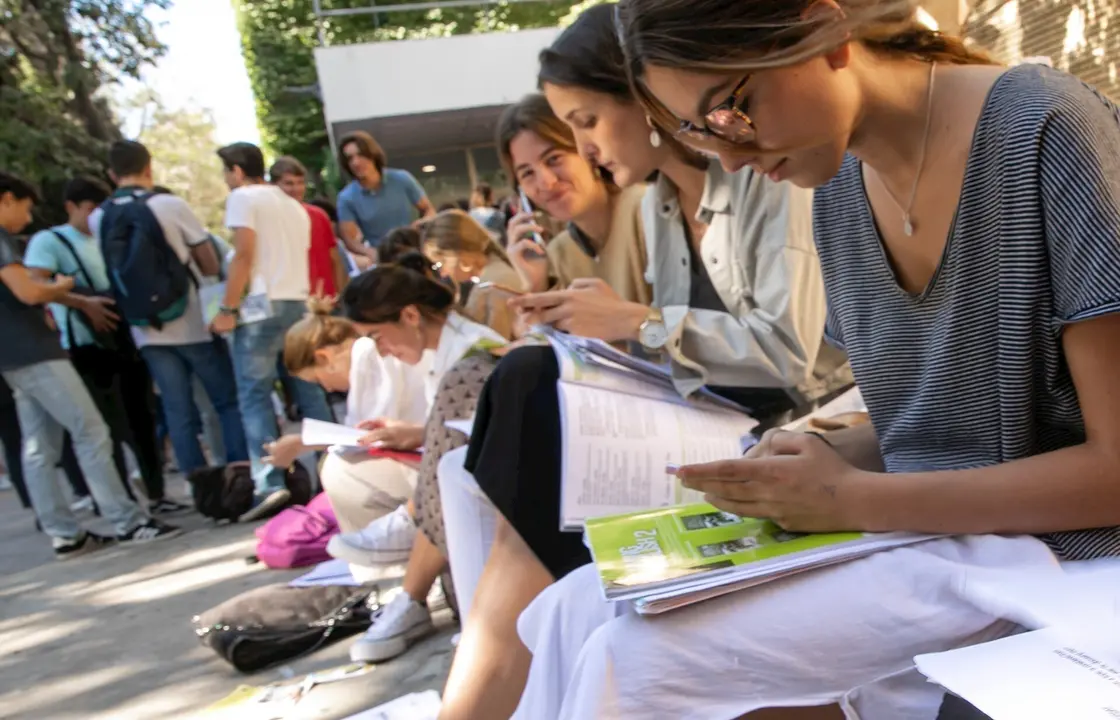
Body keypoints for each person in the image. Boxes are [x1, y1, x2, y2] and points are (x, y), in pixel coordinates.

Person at [509, 1, 1120, 718]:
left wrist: (850, 498)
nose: (729, 156)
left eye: (730, 111)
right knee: (575, 607)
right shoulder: (835, 184)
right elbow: (938, 423)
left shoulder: (1042, 129)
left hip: (1066, 553)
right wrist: (817, 461)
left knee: (637, 663)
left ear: (824, 32)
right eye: (697, 132)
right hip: (941, 534)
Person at [436, 9, 850, 716]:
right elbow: (676, 346)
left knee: (526, 392)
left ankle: (484, 694)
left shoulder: (768, 171)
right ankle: (498, 687)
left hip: (792, 416)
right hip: (715, 414)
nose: (585, 148)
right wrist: (610, 339)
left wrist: (638, 323)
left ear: (647, 95)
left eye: (587, 122)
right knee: (524, 384)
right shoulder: (658, 205)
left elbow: (795, 355)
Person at [336, 253, 507, 664]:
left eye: (378, 337)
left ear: (410, 315)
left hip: (484, 484)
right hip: (461, 472)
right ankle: (412, 571)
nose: (382, 352)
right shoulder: (447, 349)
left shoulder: (470, 353)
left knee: (435, 475)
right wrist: (416, 432)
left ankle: (412, 576)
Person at [0, 172, 179, 556]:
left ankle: (65, 532)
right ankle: (128, 520)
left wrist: (70, 299)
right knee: (91, 430)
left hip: (14, 357)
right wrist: (61, 287)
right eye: (25, 208)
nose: (27, 219)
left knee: (40, 446)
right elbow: (28, 291)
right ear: (6, 199)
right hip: (35, 352)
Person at [92, 141, 249, 491]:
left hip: (145, 329)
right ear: (149, 168)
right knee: (225, 401)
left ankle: (200, 486)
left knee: (178, 410)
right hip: (193, 320)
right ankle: (238, 476)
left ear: (111, 174)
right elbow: (208, 262)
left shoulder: (99, 216)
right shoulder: (169, 205)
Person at [213, 141, 335, 520]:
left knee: (255, 395)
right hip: (296, 301)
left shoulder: (243, 198)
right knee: (310, 389)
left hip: (259, 307)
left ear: (236, 171)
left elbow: (244, 254)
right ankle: (333, 470)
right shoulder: (293, 206)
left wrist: (227, 308)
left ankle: (270, 481)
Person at [420, 209, 523, 339]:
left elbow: (496, 346)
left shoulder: (490, 288)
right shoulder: (495, 273)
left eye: (441, 263)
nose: (443, 273)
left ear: (459, 254)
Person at [336, 131, 435, 261]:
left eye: (361, 155)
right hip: (384, 259)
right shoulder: (346, 198)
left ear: (372, 154)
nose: (356, 162)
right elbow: (349, 241)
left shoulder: (401, 179)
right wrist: (371, 253)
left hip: (416, 252)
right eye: (350, 158)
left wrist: (421, 224)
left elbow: (429, 209)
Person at [269, 157, 349, 299]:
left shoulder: (319, 215)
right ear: (274, 186)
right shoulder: (270, 220)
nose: (296, 189)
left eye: (300, 183)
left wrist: (340, 296)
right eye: (289, 183)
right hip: (291, 298)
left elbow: (335, 259)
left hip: (326, 299)